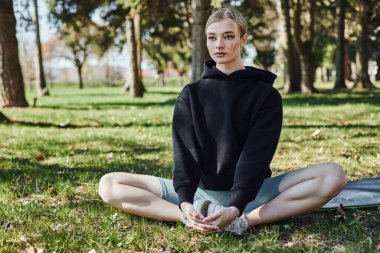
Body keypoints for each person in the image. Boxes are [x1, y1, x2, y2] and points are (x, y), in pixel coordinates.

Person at [98, 7, 347, 235]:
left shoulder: (266, 95)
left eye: (228, 36)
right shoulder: (191, 94)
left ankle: (244, 222)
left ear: (243, 40)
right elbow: (184, 156)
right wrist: (185, 204)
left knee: (333, 175)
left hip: (252, 194)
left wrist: (236, 207)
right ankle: (190, 219)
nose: (219, 44)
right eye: (212, 37)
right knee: (109, 184)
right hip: (198, 194)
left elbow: (256, 157)